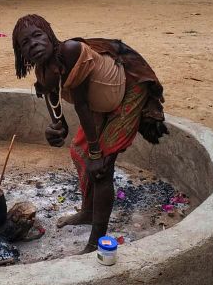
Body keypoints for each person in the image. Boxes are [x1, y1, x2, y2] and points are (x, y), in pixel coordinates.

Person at [12, 14, 168, 253]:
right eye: (25, 42)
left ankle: (96, 241)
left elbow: (82, 104)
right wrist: (56, 129)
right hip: (102, 100)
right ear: (21, 52)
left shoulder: (71, 51)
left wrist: (96, 154)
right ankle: (87, 211)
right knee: (78, 153)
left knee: (101, 167)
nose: (33, 44)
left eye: (37, 36)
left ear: (50, 36)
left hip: (127, 90)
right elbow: (54, 103)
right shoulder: (43, 70)